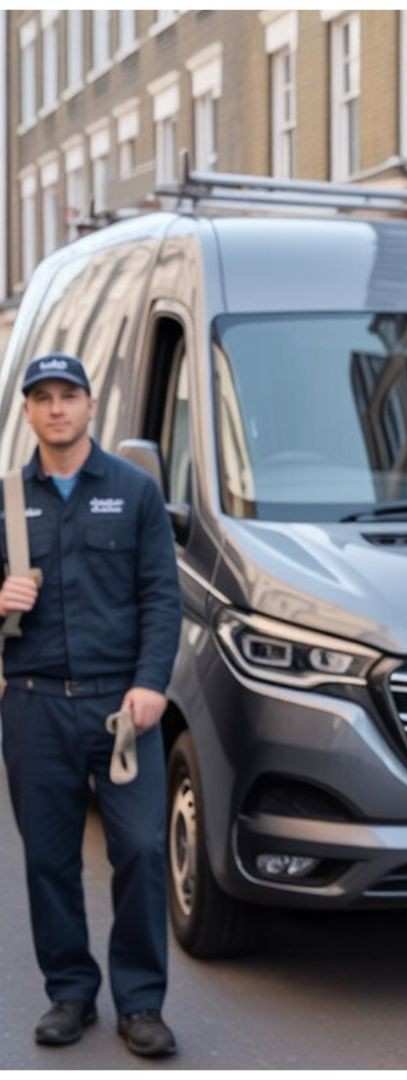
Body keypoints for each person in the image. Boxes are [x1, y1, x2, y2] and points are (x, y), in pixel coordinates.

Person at [0, 353, 181, 1057]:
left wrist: (151, 682)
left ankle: (140, 1003)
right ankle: (70, 993)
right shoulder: (7, 500)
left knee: (140, 848)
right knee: (49, 859)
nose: (56, 408)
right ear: (28, 411)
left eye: (67, 395)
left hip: (121, 707)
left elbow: (161, 595)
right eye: (43, 397)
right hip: (35, 705)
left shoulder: (135, 493)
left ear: (89, 404)